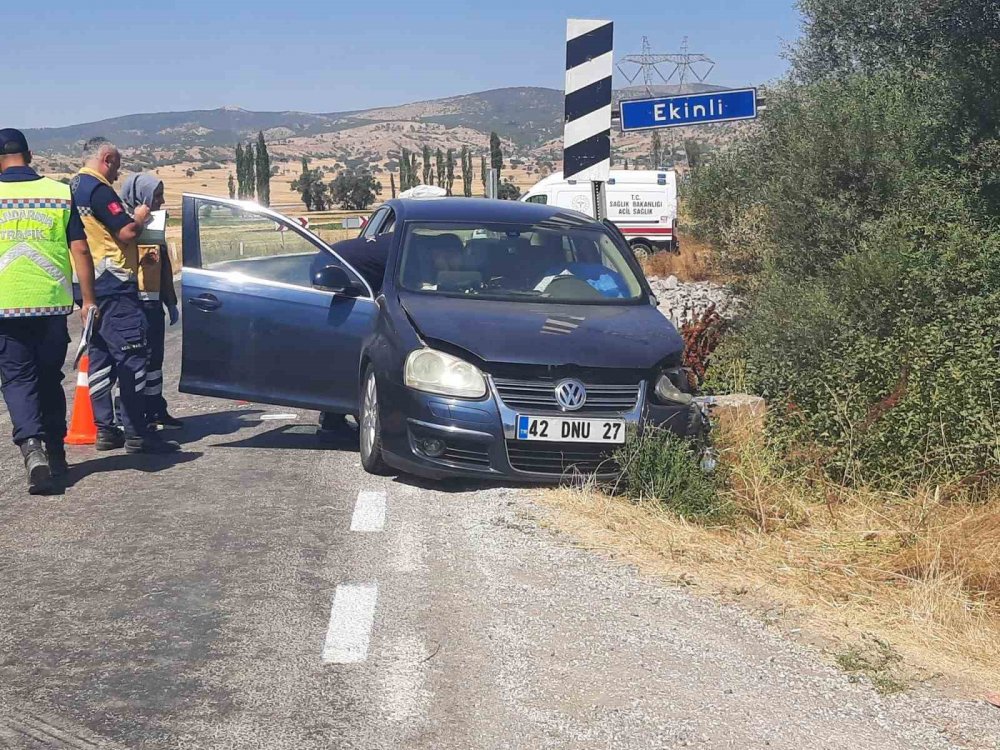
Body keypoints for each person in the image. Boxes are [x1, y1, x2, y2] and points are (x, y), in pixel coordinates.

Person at [0, 129, 98, 493]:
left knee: (17, 380)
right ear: (30, 154)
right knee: (48, 378)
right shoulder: (59, 193)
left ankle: (32, 448)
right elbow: (81, 250)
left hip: (5, 307)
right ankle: (57, 453)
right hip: (52, 304)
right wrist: (88, 300)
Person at [70, 141, 178, 454]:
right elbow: (127, 233)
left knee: (101, 357)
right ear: (107, 159)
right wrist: (141, 217)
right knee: (133, 357)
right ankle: (137, 432)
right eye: (116, 166)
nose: (118, 173)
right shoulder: (99, 190)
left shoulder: (71, 187)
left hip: (86, 285)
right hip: (114, 284)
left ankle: (106, 429)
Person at [120, 173, 182, 430]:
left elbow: (164, 263)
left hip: (153, 303)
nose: (161, 201)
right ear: (141, 197)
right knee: (133, 362)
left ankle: (155, 408)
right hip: (131, 303)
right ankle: (128, 416)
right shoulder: (121, 223)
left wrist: (170, 300)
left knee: (155, 361)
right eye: (156, 196)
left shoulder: (155, 223)